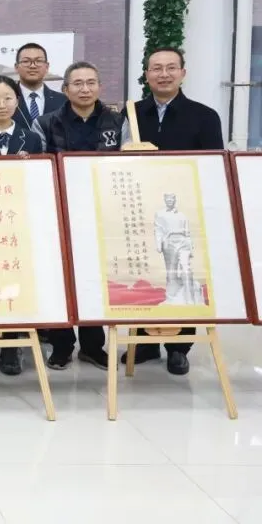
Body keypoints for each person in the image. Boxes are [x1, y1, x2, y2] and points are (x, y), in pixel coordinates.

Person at [121, 46, 222, 376]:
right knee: (146, 272)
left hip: (185, 212)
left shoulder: (205, 116)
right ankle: (145, 342)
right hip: (140, 208)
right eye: (156, 68)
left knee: (183, 275)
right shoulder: (132, 113)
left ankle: (179, 347)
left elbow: (214, 167)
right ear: (146, 74)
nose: (163, 74)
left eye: (170, 67)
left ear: (183, 73)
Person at [32, 61, 128, 371]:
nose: (85, 89)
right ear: (65, 89)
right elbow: (37, 168)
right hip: (58, 214)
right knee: (59, 279)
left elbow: (127, 164)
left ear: (99, 86)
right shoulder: (45, 123)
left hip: (101, 213)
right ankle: (61, 344)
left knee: (94, 280)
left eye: (90, 82)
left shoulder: (119, 122)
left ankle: (92, 346)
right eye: (77, 83)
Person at [0, 75, 44, 376]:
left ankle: (12, 347)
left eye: (8, 98)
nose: (1, 104)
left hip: (18, 224)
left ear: (18, 101)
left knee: (15, 283)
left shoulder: (32, 139)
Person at [14, 42, 67, 127]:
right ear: (16, 67)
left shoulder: (64, 101)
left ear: (47, 66)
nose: (32, 66)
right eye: (26, 61)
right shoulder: (4, 100)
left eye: (38, 61)